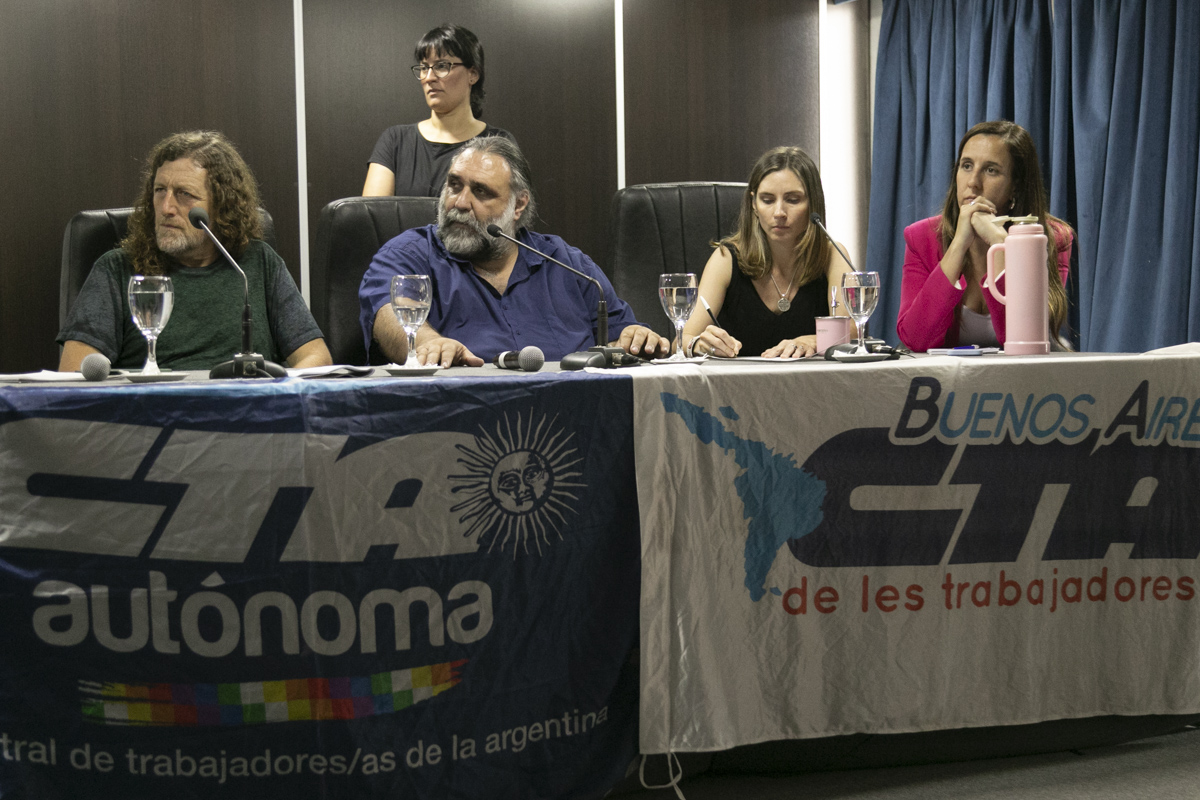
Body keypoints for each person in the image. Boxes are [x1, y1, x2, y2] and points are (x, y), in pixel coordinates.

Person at [359, 135, 669, 367]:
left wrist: (635, 339)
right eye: (454, 185)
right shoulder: (408, 254)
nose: (460, 203)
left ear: (518, 205)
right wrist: (428, 342)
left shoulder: (567, 264)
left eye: (481, 191)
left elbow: (619, 337)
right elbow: (388, 316)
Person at [57, 131, 331, 372]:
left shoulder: (257, 264)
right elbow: (75, 372)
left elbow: (316, 357)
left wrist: (276, 392)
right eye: (160, 190)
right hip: (151, 411)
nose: (166, 207)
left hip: (247, 409)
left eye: (184, 194)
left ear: (222, 206)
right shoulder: (117, 270)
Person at [896, 120, 1073, 352]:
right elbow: (915, 339)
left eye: (991, 170)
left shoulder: (1051, 238)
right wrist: (959, 244)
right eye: (966, 166)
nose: (973, 182)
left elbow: (1025, 339)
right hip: (949, 374)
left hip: (1024, 373)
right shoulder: (921, 238)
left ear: (1016, 185)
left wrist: (1002, 244)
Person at [682, 146, 853, 358]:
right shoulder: (726, 258)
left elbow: (852, 333)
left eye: (793, 200)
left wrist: (813, 341)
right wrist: (699, 344)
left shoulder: (832, 255)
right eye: (767, 200)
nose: (779, 212)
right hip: (738, 379)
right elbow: (683, 338)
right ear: (754, 204)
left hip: (813, 379)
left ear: (813, 203)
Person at [362, 24, 516, 198]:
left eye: (441, 66)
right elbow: (372, 212)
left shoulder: (499, 143)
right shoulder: (395, 141)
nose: (428, 78)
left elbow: (505, 209)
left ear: (472, 74)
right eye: (424, 67)